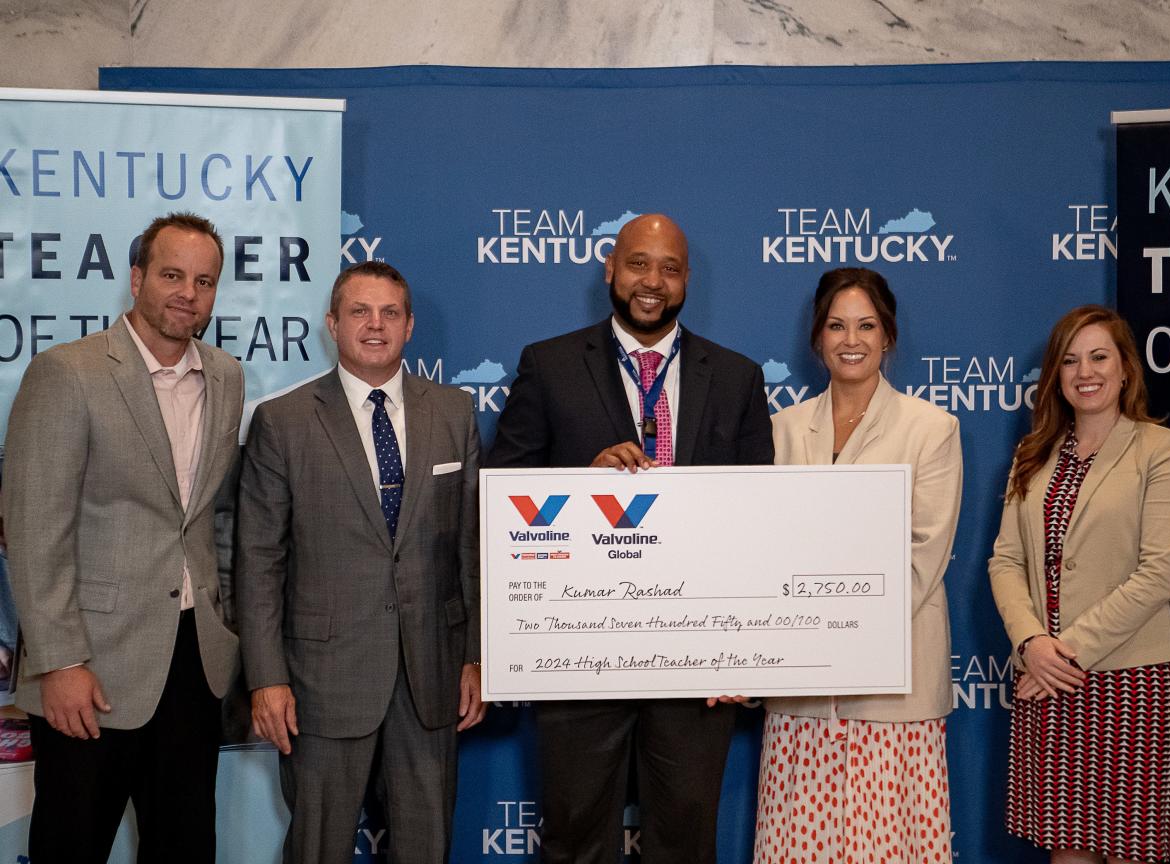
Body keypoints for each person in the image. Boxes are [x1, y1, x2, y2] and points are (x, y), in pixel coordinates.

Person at [487, 212, 773, 863]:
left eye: (670, 268)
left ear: (687, 280)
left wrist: (745, 650)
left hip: (698, 657)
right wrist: (581, 488)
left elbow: (760, 520)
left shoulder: (735, 378)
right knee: (577, 836)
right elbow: (500, 492)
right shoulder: (550, 365)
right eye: (639, 263)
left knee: (686, 839)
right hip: (579, 651)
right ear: (610, 269)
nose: (653, 281)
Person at [2, 212, 244, 862]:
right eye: (171, 274)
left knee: (185, 848)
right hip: (93, 668)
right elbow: (32, 528)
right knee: (71, 846)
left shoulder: (227, 376)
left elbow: (203, 517)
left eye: (204, 280)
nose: (187, 292)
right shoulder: (67, 373)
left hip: (194, 664)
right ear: (136, 278)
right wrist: (60, 662)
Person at [237, 260, 484, 864]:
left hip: (432, 673)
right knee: (318, 847)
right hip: (322, 679)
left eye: (390, 313)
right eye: (360, 312)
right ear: (332, 323)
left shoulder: (453, 412)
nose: (375, 325)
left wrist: (477, 655)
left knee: (427, 847)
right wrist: (267, 677)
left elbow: (472, 548)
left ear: (409, 325)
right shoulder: (283, 422)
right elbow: (258, 560)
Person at [754, 267, 962, 863]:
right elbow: (762, 551)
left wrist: (841, 633)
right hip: (801, 697)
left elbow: (925, 552)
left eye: (867, 325)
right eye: (837, 325)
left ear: (888, 336)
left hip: (892, 693)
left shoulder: (932, 429)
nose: (852, 339)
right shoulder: (781, 431)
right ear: (817, 337)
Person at [988, 304, 1170, 864]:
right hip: (1046, 675)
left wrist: (1065, 655)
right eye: (1071, 361)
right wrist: (1032, 643)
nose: (1086, 372)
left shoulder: (1160, 449)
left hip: (1127, 680)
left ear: (1125, 368)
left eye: (1100, 357)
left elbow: (1158, 575)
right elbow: (1005, 561)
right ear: (1056, 375)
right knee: (1067, 851)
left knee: (1129, 850)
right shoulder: (1032, 456)